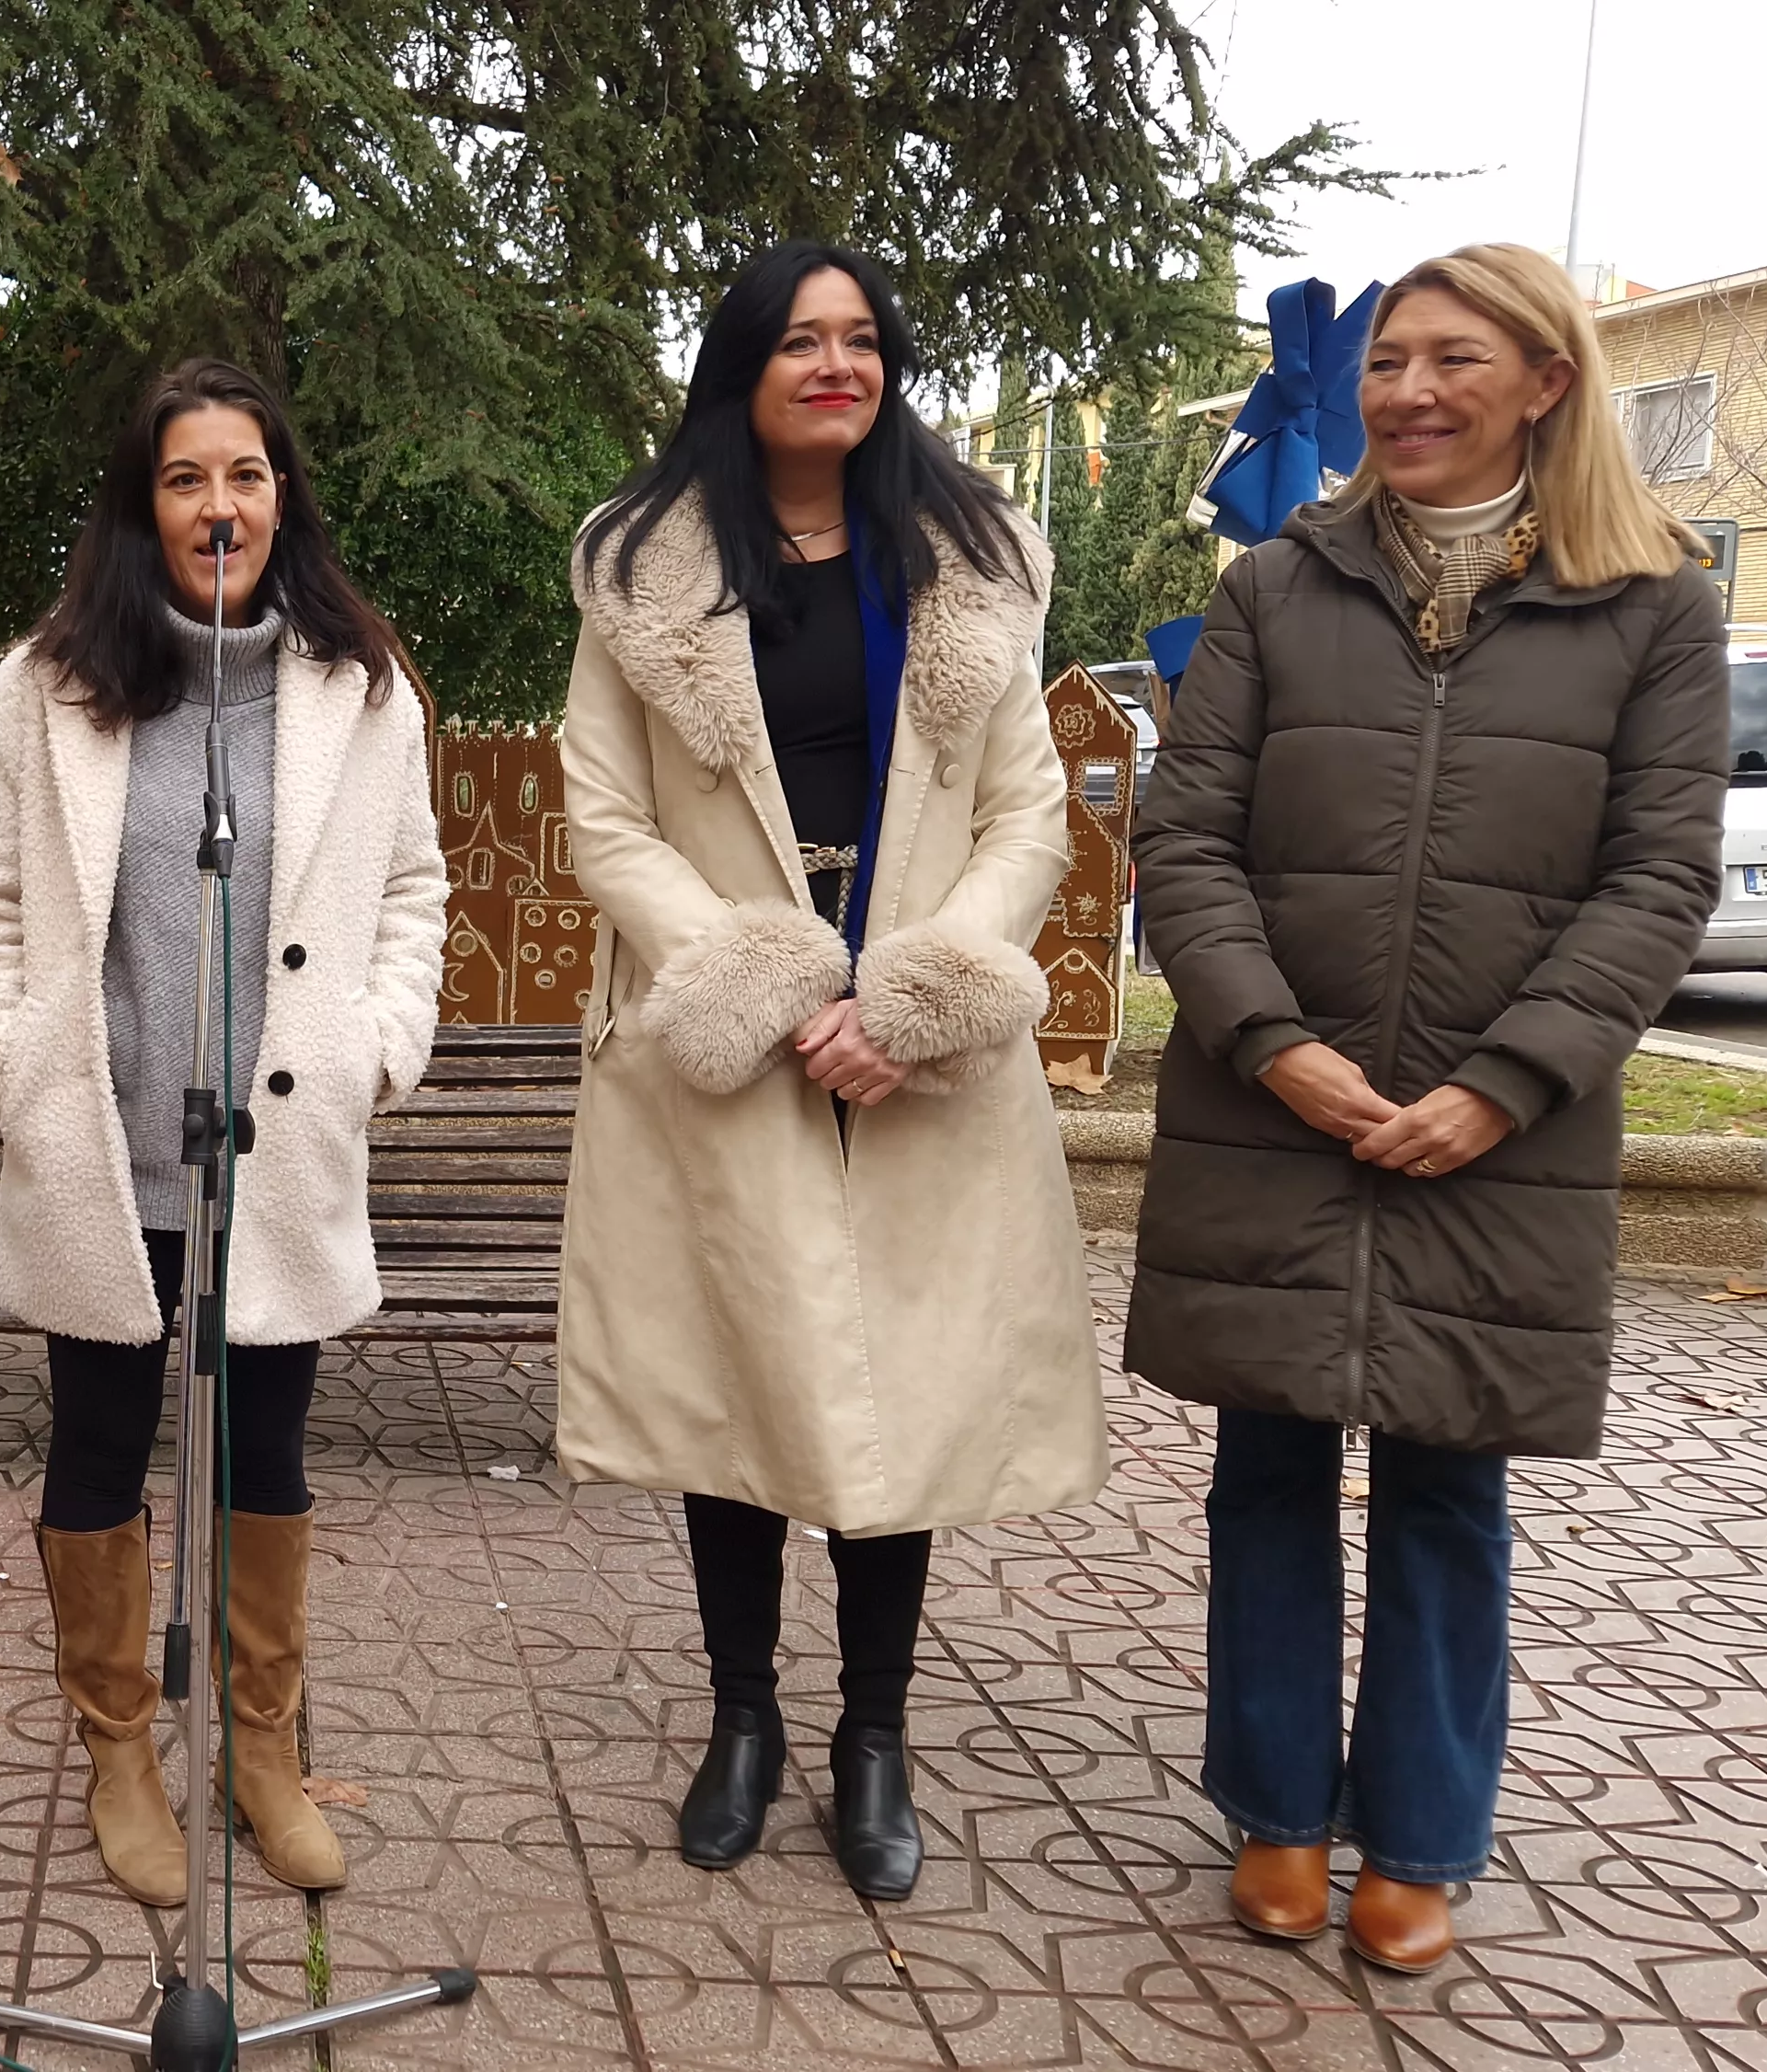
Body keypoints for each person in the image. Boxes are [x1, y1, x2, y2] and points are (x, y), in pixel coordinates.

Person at [1129, 244, 1727, 1974]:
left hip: (1502, 1131)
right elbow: (1188, 839)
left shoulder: (1654, 607)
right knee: (1267, 1465)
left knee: (1451, 1485)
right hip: (1275, 1107)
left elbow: (1659, 878)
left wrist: (1504, 1083)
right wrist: (1274, 1045)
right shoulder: (1277, 587)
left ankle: (1421, 1835)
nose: (1407, 392)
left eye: (1455, 359)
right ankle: (1275, 1811)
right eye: (1390, 359)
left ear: (1548, 381)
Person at [555, 243, 1103, 1904]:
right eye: (801, 339)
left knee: (896, 1395)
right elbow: (606, 821)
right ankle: (744, 1721)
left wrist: (915, 998)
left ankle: (877, 1735)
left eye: (862, 338)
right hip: (728, 1043)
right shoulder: (644, 569)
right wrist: (770, 983)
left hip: (916, 1053)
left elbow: (1029, 814)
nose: (836, 365)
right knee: (741, 1379)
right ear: (744, 366)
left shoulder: (967, 559)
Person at [0, 358, 449, 1905]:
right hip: (104, 1152)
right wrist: (3, 1064)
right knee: (98, 1448)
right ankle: (119, 1751)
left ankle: (264, 1752)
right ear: (140, 505)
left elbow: (413, 893)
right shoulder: (42, 692)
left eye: (243, 474)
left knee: (266, 1459)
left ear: (282, 496)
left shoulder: (364, 691)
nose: (217, 503)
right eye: (183, 478)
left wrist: (377, 1050)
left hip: (275, 1156)